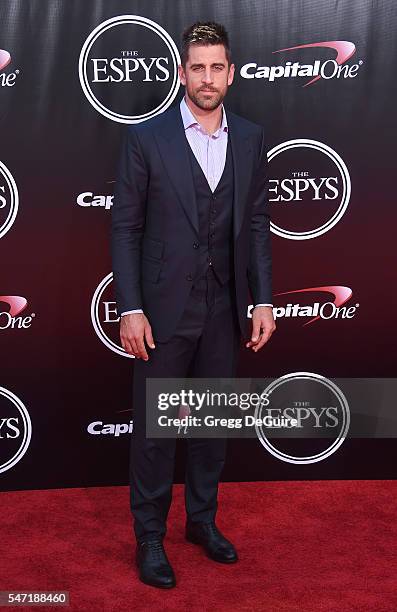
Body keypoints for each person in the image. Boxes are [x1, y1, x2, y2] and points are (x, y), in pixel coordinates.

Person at [111, 21, 275, 589]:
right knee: (156, 431)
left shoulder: (251, 138)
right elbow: (125, 229)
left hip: (224, 308)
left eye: (217, 67)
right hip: (160, 312)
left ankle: (201, 522)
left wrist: (263, 299)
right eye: (197, 67)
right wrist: (130, 307)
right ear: (182, 73)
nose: (207, 78)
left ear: (231, 73)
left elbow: (256, 224)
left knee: (210, 426)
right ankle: (150, 536)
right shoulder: (146, 139)